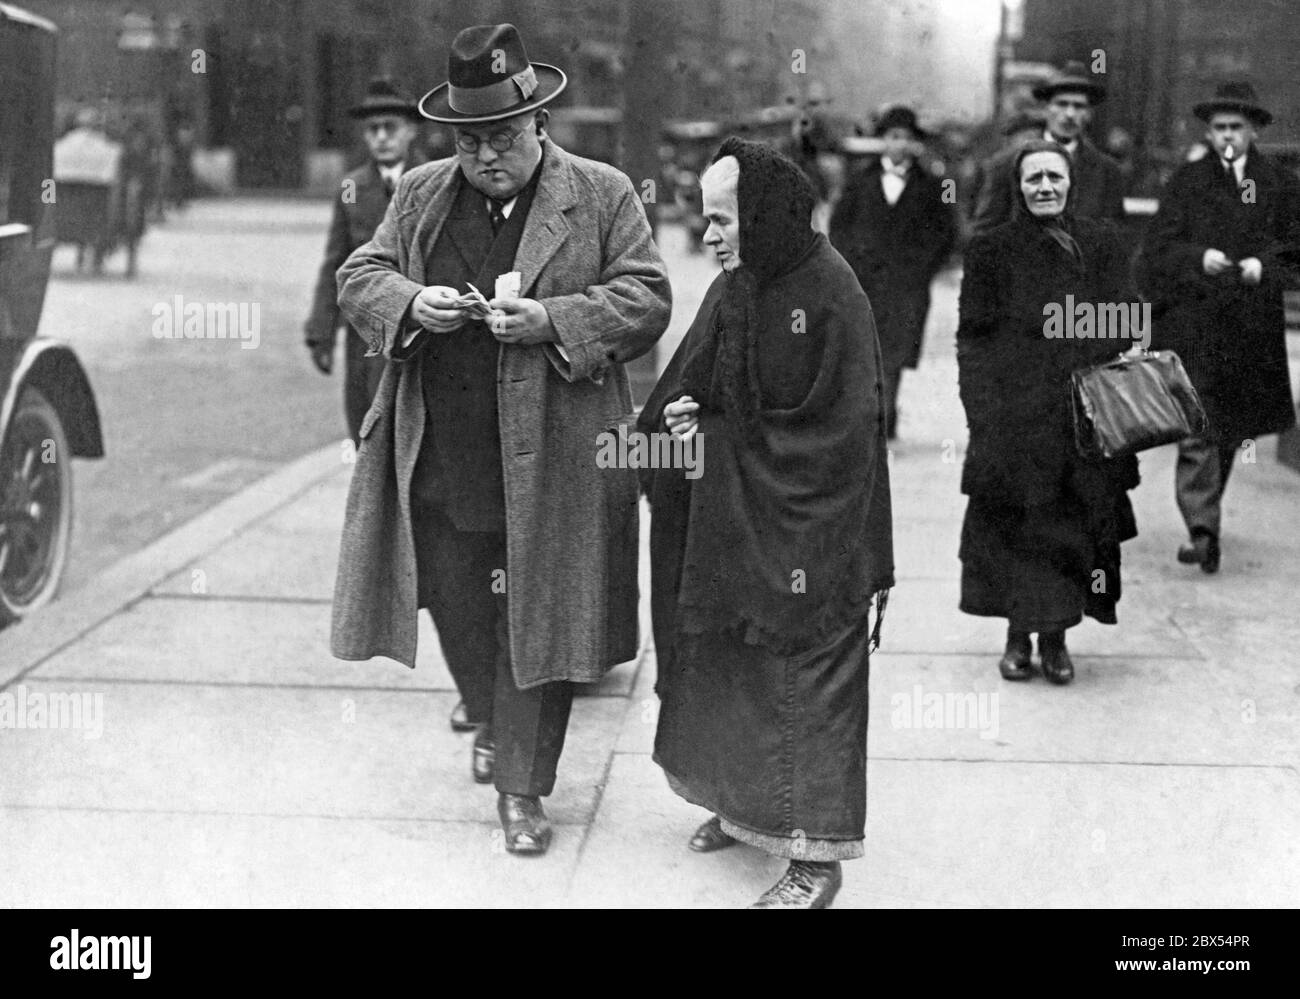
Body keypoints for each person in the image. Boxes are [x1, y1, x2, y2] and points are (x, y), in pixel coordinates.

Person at [331, 23, 671, 856]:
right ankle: (486, 715)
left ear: (540, 126)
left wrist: (554, 318)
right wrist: (412, 303)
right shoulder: (419, 193)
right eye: (469, 138)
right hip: (444, 455)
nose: (485, 155)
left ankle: (522, 788)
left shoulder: (601, 194)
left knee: (541, 620)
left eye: (502, 137)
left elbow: (647, 296)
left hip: (554, 458)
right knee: (454, 600)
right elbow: (358, 276)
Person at [640, 137, 894, 909]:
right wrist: (683, 416)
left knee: (807, 683)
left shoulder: (833, 293)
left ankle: (817, 858)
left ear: (764, 215)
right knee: (733, 667)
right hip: (738, 522)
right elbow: (699, 385)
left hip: (817, 537)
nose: (708, 234)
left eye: (722, 220)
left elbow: (834, 441)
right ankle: (748, 808)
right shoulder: (740, 284)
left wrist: (712, 440)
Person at [957, 140, 1140, 684]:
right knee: (1015, 526)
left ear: (1070, 183)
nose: (1044, 187)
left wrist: (1089, 335)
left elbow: (1129, 317)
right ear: (1018, 186)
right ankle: (1017, 635)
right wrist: (981, 412)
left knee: (1071, 529)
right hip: (1013, 416)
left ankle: (1056, 639)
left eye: (1054, 178)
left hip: (1081, 420)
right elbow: (973, 337)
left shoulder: (1101, 243)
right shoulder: (991, 250)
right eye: (1033, 178)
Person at [1141, 83, 1300, 573]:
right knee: (1197, 425)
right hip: (1194, 323)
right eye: (1219, 128)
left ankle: (1204, 516)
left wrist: (1261, 266)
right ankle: (1202, 527)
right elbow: (1158, 249)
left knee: (1230, 426)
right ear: (1208, 133)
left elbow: (1294, 248)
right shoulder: (1186, 181)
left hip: (1249, 328)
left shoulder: (1279, 184)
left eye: (1236, 127)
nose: (1228, 136)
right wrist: (1198, 257)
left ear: (1253, 131)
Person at [305, 78, 425, 447]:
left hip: (421, 329)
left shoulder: (436, 180)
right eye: (373, 130)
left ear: (410, 131)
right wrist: (320, 332)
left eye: (390, 128)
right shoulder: (352, 187)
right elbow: (336, 263)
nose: (381, 138)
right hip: (366, 332)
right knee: (367, 427)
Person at [830, 105, 956, 439]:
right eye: (893, 137)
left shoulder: (932, 186)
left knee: (895, 351)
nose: (899, 145)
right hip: (864, 282)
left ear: (915, 144)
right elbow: (839, 227)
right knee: (864, 348)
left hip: (907, 285)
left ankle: (885, 414)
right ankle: (871, 413)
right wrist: (850, 266)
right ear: (882, 140)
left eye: (907, 139)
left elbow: (945, 232)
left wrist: (923, 268)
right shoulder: (860, 182)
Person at [971, 62, 1125, 236]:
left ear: (1089, 114)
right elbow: (984, 237)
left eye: (1079, 106)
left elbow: (1113, 239)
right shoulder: (1007, 164)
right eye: (1061, 104)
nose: (1069, 114)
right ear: (1045, 109)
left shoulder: (1107, 172)